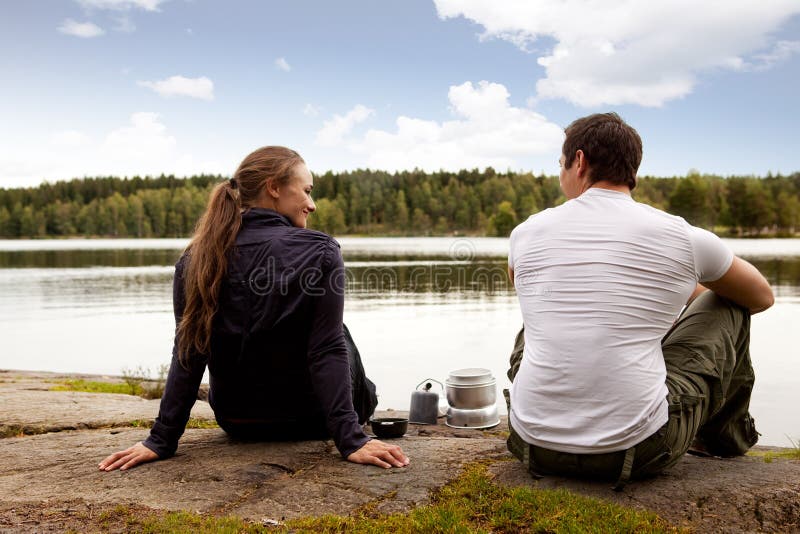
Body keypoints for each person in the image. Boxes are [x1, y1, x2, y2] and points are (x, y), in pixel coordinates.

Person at [506, 113, 773, 490]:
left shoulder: (525, 232)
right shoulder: (682, 236)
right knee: (729, 305)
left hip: (530, 443)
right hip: (638, 450)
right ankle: (724, 439)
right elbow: (759, 297)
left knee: (542, 312)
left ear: (578, 161)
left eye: (560, 164)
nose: (561, 173)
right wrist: (680, 293)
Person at [99, 146, 409, 471]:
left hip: (237, 420)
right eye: (306, 191)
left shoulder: (193, 260)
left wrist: (161, 439)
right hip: (311, 418)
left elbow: (189, 354)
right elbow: (326, 349)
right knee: (336, 333)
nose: (312, 205)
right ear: (274, 188)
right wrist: (351, 439)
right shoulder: (321, 250)